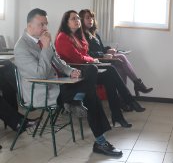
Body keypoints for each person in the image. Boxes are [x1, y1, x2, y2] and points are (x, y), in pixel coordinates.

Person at [14, 8, 123, 157]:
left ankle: (75, 102)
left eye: (46, 24)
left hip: (58, 86)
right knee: (91, 94)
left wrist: (70, 71)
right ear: (29, 26)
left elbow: (58, 61)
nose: (45, 28)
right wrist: (46, 48)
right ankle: (100, 141)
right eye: (41, 24)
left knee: (91, 70)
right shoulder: (21, 47)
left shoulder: (43, 38)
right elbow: (40, 74)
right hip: (42, 92)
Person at [54, 10, 145, 120]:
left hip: (85, 69)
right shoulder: (62, 37)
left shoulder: (77, 36)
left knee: (110, 74)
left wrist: (91, 59)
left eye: (78, 18)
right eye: (73, 18)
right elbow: (78, 58)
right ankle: (129, 101)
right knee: (111, 71)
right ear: (66, 22)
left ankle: (118, 115)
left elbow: (84, 54)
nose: (77, 20)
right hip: (74, 72)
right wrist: (92, 60)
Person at [78, 9, 153, 96]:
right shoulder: (81, 35)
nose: (91, 20)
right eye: (87, 18)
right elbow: (88, 53)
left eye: (92, 18)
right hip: (95, 62)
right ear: (81, 19)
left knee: (121, 66)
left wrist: (109, 50)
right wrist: (104, 54)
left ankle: (124, 98)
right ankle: (137, 84)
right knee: (121, 57)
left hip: (102, 58)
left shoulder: (95, 34)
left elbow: (101, 48)